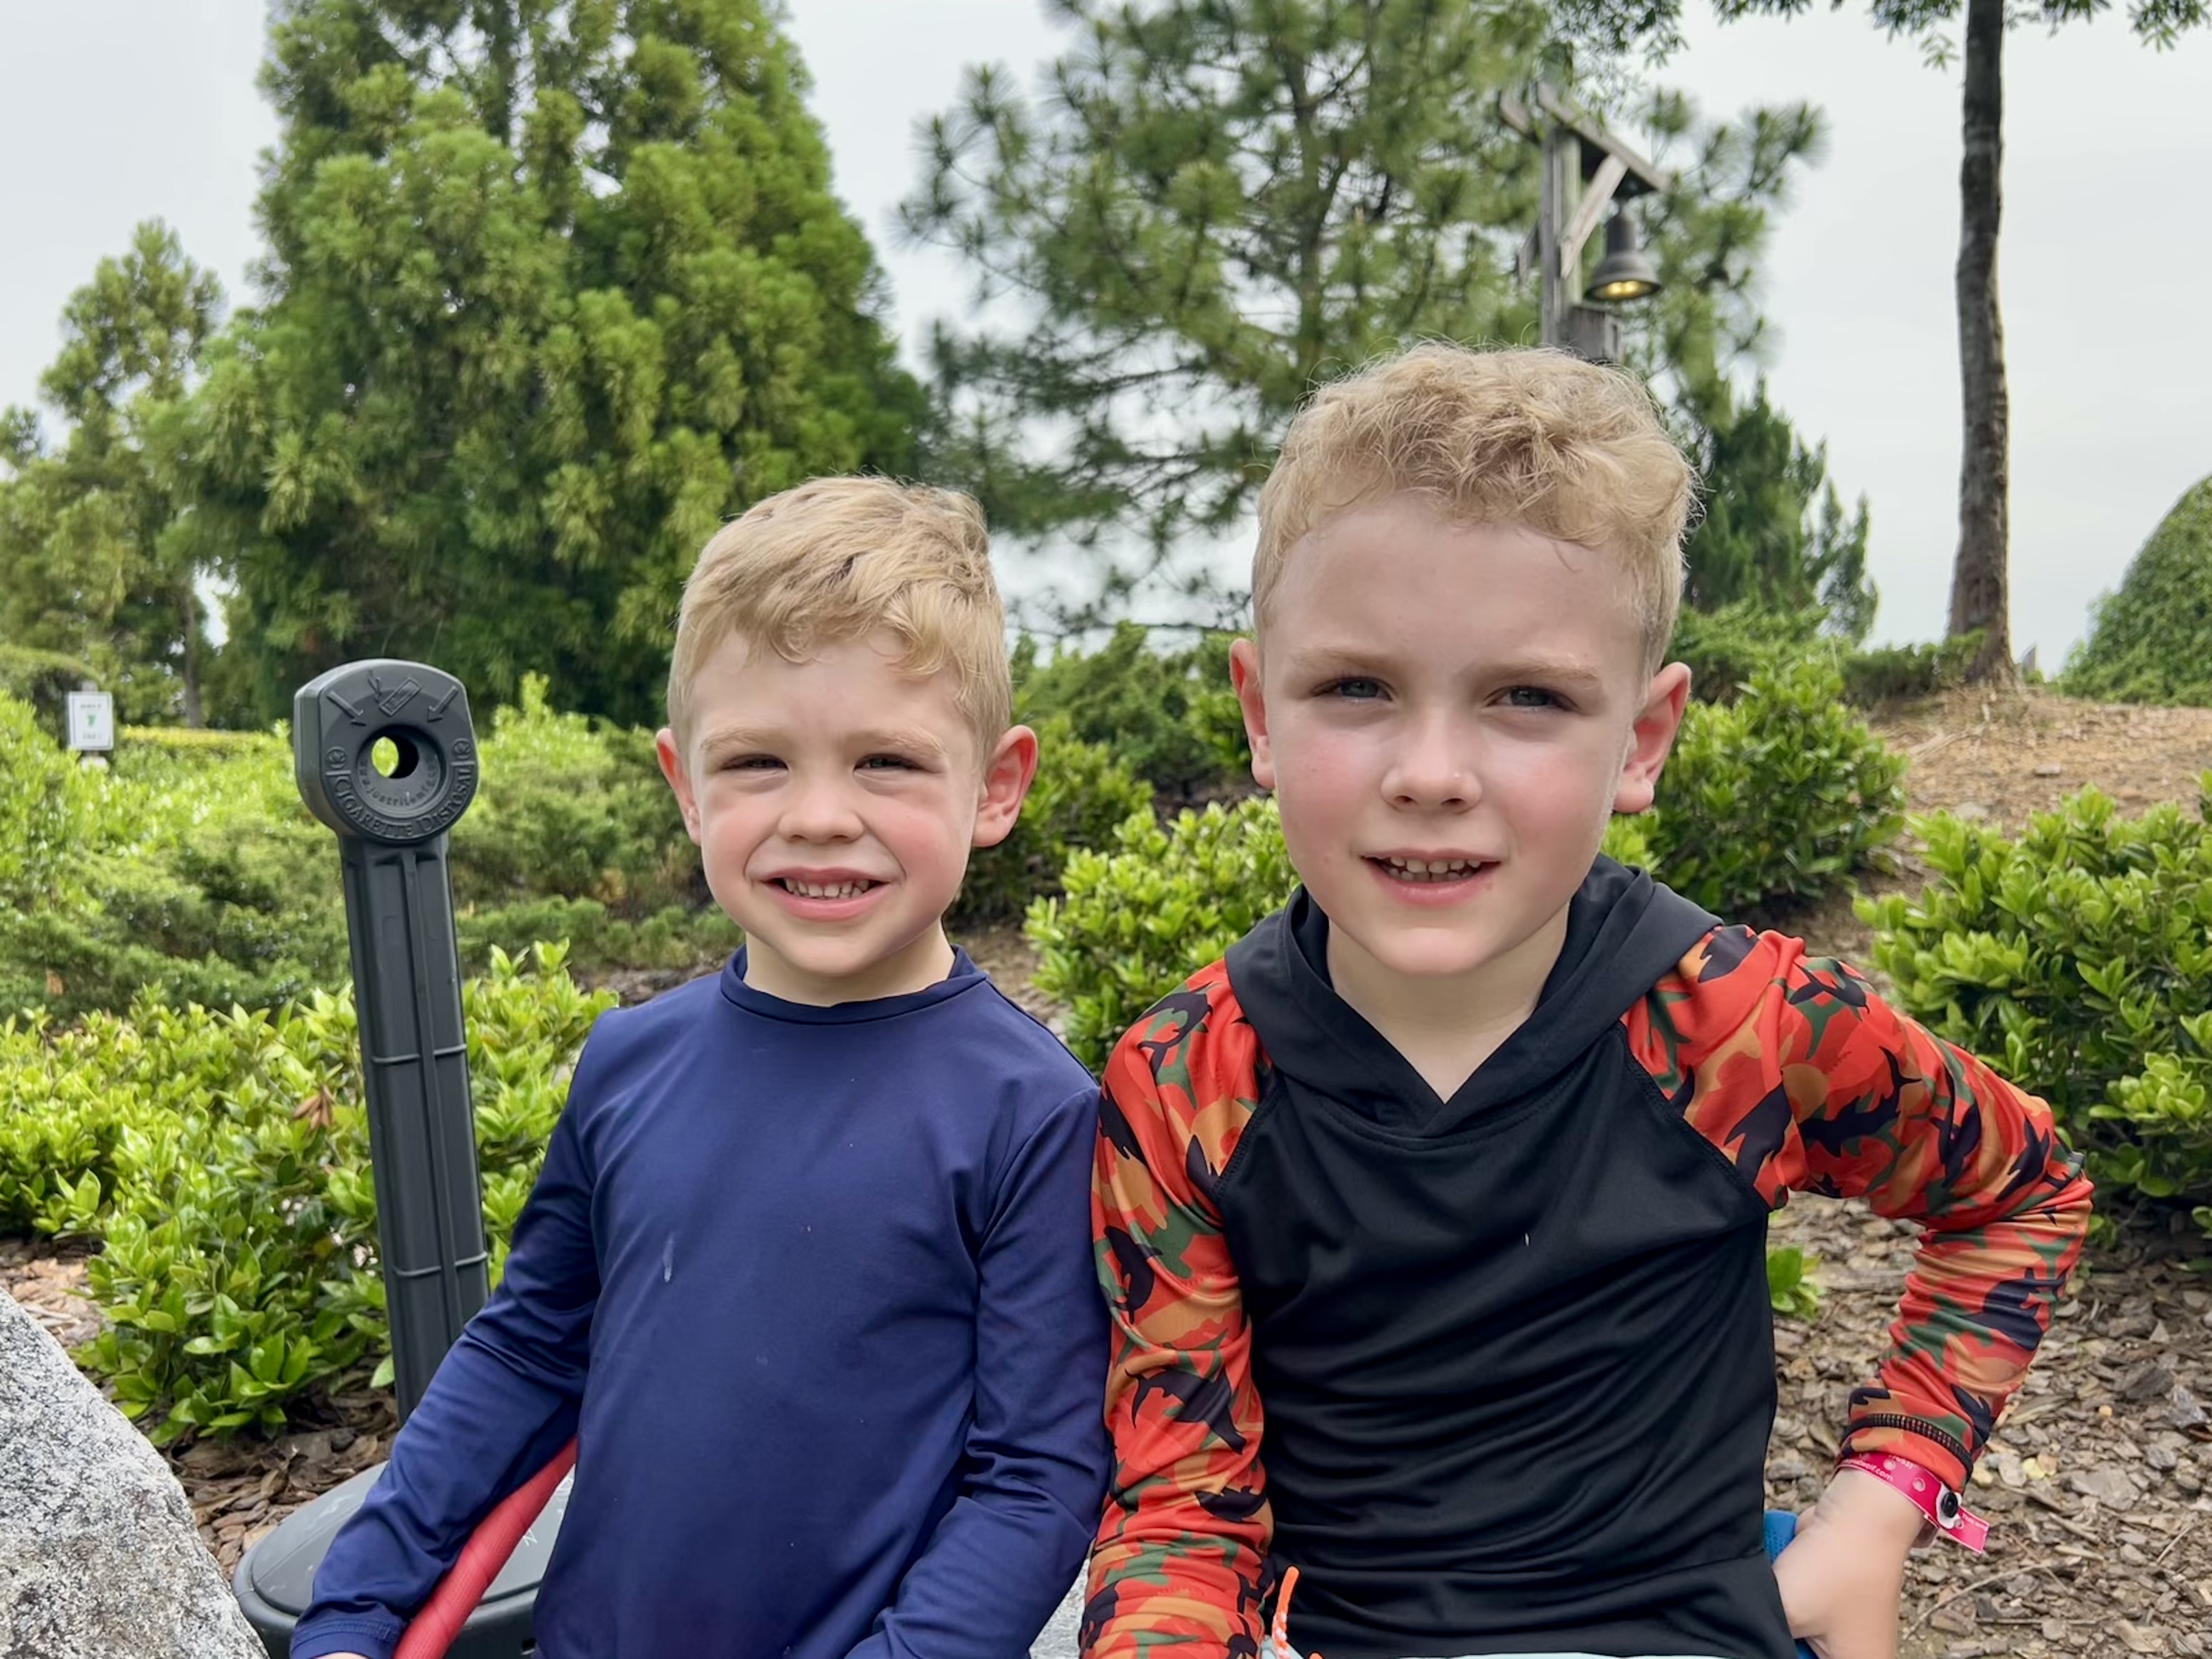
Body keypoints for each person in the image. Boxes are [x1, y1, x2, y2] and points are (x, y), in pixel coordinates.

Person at [1081, 345, 2092, 1659]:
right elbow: (1182, 1501)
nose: (1431, 772)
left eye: (1529, 698)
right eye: (1356, 688)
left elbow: (2021, 1192)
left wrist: (1883, 1501)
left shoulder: (1745, 1027)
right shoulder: (1187, 1081)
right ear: (1260, 713)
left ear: (1642, 739)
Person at [294, 477, 1110, 1659]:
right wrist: (356, 1606)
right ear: (685, 786)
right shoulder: (629, 1062)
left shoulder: (1034, 1115)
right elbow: (525, 1355)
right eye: (758, 762)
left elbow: (1033, 1482)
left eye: (886, 760)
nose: (819, 816)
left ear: (995, 786)